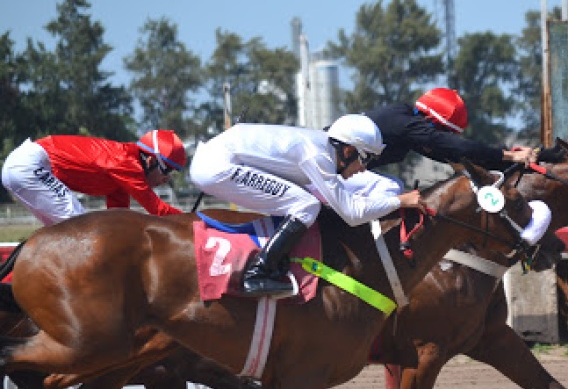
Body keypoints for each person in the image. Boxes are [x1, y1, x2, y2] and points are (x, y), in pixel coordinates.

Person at [189, 114, 423, 297]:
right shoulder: (318, 155)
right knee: (306, 205)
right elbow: (352, 214)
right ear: (348, 150)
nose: (364, 168)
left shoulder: (323, 148)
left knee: (302, 201)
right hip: (216, 166)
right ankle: (258, 272)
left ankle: (277, 261)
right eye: (366, 159)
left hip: (217, 160)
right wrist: (401, 200)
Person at [2, 130, 186, 226]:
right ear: (151, 161)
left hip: (24, 165)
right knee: (82, 228)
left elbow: (117, 221)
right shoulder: (128, 165)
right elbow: (158, 210)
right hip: (30, 165)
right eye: (167, 170)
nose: (167, 179)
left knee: (62, 236)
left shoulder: (123, 175)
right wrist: (195, 219)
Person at [362, 87, 537, 171]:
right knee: (392, 188)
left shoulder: (409, 125)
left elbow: (455, 155)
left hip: (342, 173)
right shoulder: (406, 125)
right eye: (443, 132)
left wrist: (511, 158)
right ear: (430, 119)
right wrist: (511, 156)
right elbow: (459, 147)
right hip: (337, 174)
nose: (444, 137)